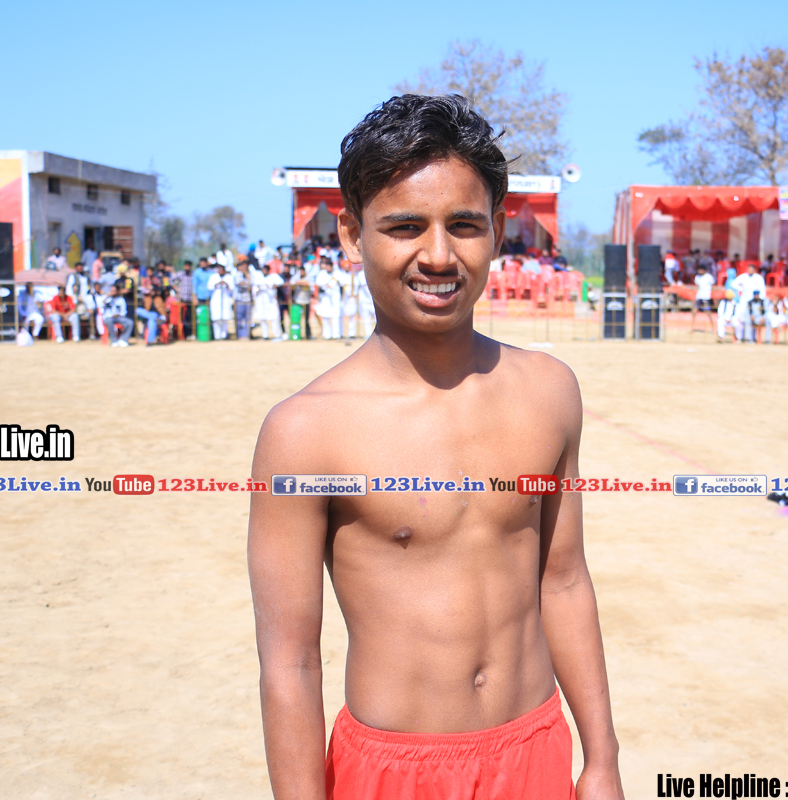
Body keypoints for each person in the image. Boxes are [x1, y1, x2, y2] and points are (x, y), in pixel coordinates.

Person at [249, 94, 623, 800]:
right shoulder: (305, 432)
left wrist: (601, 757)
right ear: (352, 236)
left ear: (498, 230)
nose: (439, 255)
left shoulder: (550, 393)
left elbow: (564, 579)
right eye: (404, 227)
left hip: (535, 750)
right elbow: (290, 662)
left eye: (464, 225)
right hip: (393, 771)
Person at [313, 256, 343, 339]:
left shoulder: (337, 273)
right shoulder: (322, 273)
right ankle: (327, 334)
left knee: (336, 316)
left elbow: (343, 282)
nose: (328, 268)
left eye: (330, 266)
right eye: (327, 266)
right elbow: (318, 283)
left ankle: (336, 334)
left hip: (335, 296)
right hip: (325, 297)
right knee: (325, 315)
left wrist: (336, 282)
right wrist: (326, 284)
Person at [253, 263, 284, 340]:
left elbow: (281, 282)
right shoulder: (258, 277)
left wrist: (274, 285)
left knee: (274, 318)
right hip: (261, 302)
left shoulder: (273, 277)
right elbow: (255, 288)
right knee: (262, 319)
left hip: (271, 301)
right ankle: (265, 336)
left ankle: (277, 335)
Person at [208, 263, 235, 340]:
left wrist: (226, 284)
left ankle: (224, 335)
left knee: (225, 318)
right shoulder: (214, 276)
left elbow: (232, 288)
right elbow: (209, 287)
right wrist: (217, 284)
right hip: (216, 300)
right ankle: (217, 336)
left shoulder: (229, 277)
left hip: (226, 300)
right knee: (216, 319)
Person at [234, 261, 254, 339]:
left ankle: (247, 335)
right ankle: (239, 335)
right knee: (239, 318)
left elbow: (252, 283)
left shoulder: (250, 274)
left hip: (248, 299)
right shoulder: (238, 274)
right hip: (239, 299)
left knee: (248, 319)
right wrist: (247, 284)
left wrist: (246, 274)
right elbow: (239, 283)